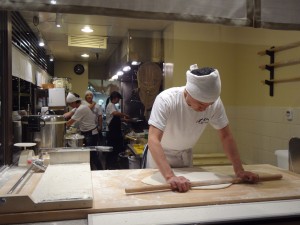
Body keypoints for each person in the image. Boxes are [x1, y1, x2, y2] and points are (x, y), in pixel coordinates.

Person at [144, 65, 259, 192]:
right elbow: (153, 139)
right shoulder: (166, 100)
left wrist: (239, 170)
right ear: (188, 92)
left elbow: (226, 136)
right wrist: (170, 176)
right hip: (160, 157)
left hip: (185, 155)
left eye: (209, 104)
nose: (204, 108)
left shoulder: (214, 104)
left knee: (185, 196)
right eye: (200, 103)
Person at [64, 92, 102, 170]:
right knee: (88, 154)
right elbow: (68, 114)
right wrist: (59, 117)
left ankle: (100, 171)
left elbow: (70, 122)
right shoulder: (79, 107)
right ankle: (91, 170)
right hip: (87, 133)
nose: (70, 106)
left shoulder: (81, 108)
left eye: (70, 104)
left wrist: (59, 125)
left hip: (91, 134)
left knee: (92, 155)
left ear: (74, 102)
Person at [105, 91, 130, 169]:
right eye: (118, 99)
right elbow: (115, 114)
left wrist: (124, 120)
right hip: (113, 132)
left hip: (115, 131)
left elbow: (116, 118)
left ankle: (113, 163)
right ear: (115, 98)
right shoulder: (110, 105)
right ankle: (111, 165)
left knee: (116, 148)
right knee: (113, 148)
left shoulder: (113, 105)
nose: (119, 101)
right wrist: (125, 115)